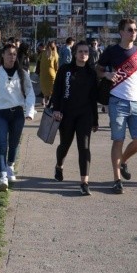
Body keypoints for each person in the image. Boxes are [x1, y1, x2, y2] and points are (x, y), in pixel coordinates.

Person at [96, 18, 137, 194]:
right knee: (118, 140)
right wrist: (106, 74)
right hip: (117, 101)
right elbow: (97, 69)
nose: (133, 33)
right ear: (121, 32)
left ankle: (122, 161)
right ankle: (117, 180)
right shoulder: (111, 51)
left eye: (135, 30)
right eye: (130, 30)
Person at [0, 42, 36, 191]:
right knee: (1, 145)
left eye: (14, 54)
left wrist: (29, 112)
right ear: (3, 56)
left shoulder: (22, 74)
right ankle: (2, 176)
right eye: (9, 54)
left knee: (14, 144)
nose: (12, 57)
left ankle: (10, 165)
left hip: (17, 113)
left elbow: (30, 94)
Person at [51, 41, 99, 195]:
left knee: (84, 148)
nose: (83, 54)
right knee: (64, 145)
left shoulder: (91, 73)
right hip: (66, 114)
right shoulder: (65, 70)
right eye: (80, 52)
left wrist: (95, 120)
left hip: (85, 115)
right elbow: (57, 90)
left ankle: (84, 182)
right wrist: (56, 109)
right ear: (74, 53)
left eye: (86, 52)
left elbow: (93, 98)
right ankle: (59, 165)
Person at [39, 40, 59, 107]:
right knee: (52, 90)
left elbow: (39, 61)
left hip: (43, 74)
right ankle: (51, 104)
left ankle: (46, 103)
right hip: (51, 74)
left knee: (45, 90)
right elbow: (56, 66)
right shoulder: (55, 54)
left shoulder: (43, 53)